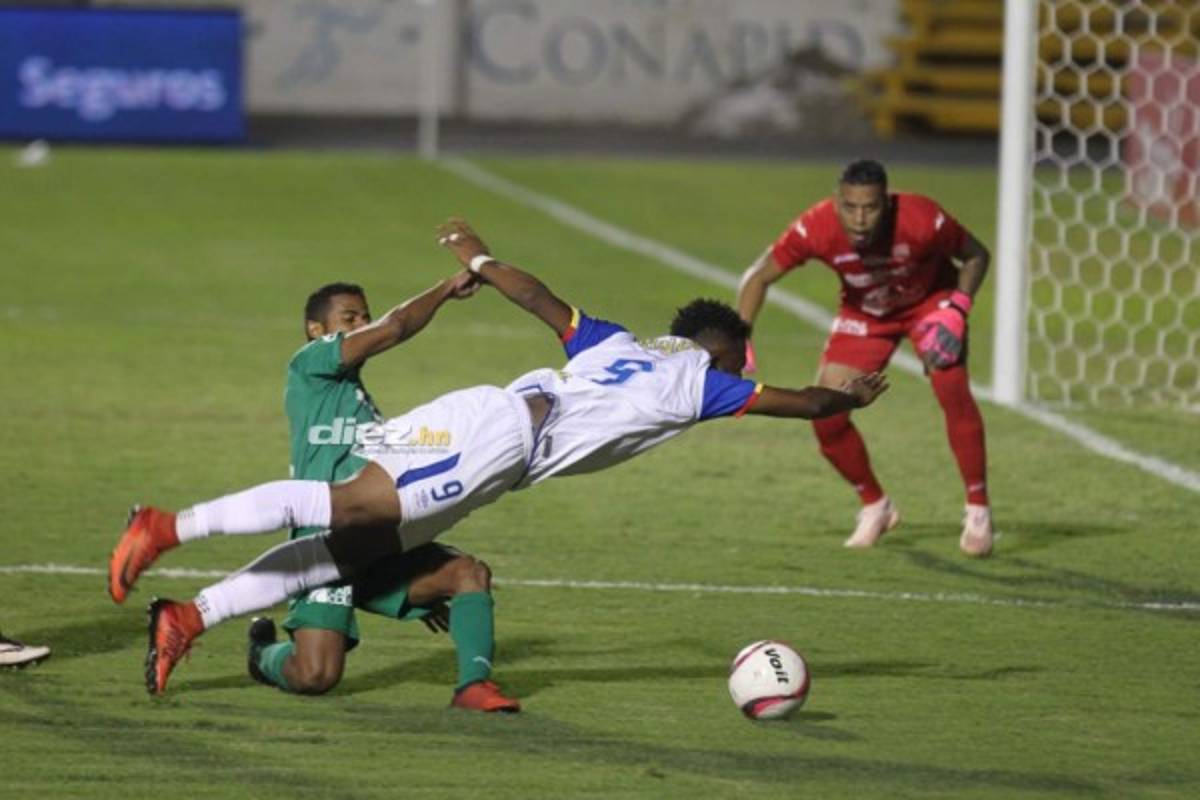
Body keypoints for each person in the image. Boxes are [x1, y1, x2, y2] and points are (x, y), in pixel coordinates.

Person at [109, 217, 889, 696]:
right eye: (738, 364)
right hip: (498, 433)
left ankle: (192, 615)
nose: (741, 375)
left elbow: (539, 299)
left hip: (498, 446)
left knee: (351, 549)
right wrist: (848, 395)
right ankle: (167, 526)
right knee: (351, 509)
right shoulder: (702, 383)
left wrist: (482, 259)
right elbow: (804, 403)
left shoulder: (616, 342)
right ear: (725, 353)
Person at [114, 273, 520, 711]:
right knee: (316, 675)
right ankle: (262, 655)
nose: (362, 324)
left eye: (365, 316)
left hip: (381, 536)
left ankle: (474, 686)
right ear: (316, 329)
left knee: (466, 574)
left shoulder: (359, 401)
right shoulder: (312, 364)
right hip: (327, 536)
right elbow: (394, 327)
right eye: (350, 317)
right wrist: (445, 289)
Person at [736, 159, 993, 556]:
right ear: (837, 202)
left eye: (870, 208)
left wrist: (957, 309)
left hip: (930, 305)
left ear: (886, 204)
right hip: (867, 316)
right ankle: (876, 505)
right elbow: (759, 275)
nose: (859, 219)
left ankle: (978, 508)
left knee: (951, 386)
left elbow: (977, 256)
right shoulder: (817, 226)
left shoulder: (923, 218)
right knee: (827, 413)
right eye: (850, 207)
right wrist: (740, 335)